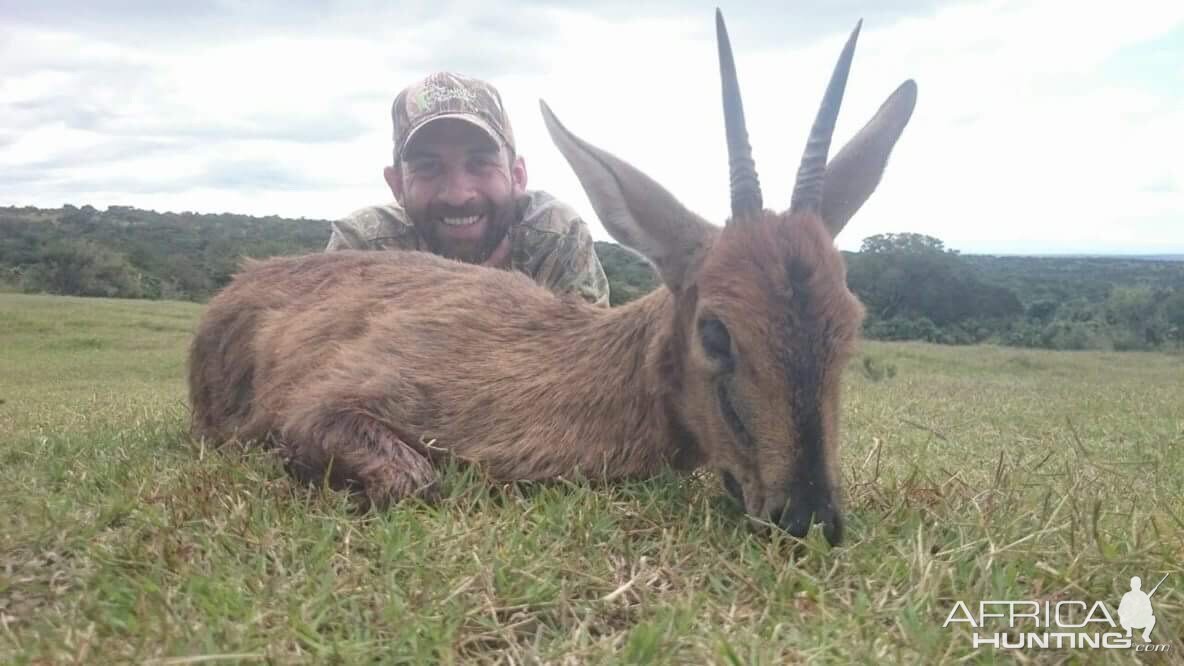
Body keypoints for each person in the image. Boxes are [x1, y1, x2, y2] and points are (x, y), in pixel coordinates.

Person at [327, 72, 610, 307]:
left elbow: (590, 367)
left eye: (480, 163)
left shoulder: (556, 237)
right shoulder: (363, 249)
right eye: (428, 167)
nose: (458, 195)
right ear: (397, 184)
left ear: (517, 175)